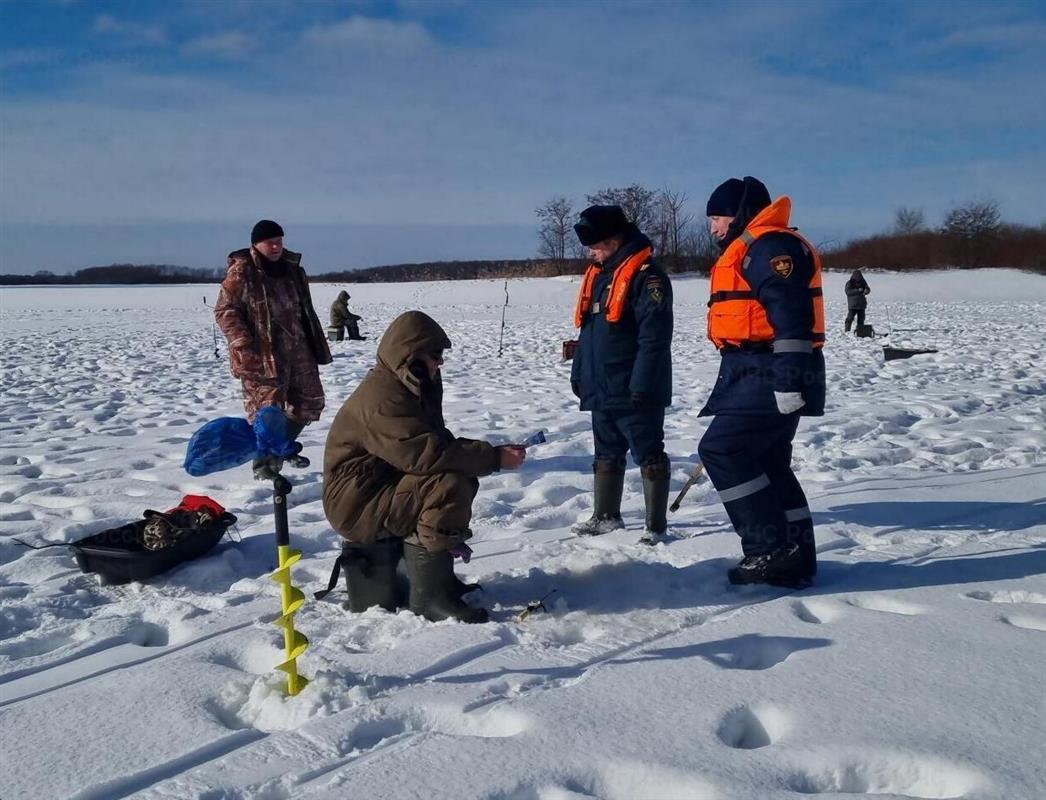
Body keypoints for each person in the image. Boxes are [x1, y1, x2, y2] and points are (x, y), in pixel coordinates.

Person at [323, 310, 526, 623]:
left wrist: (485, 456)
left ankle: (438, 581)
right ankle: (430, 597)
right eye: (434, 356)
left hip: (377, 488)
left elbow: (434, 444)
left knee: (456, 477)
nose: (439, 363)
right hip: (355, 505)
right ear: (410, 355)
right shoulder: (383, 400)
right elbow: (425, 456)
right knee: (447, 486)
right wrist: (493, 458)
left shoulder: (408, 386)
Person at [698, 177, 825, 588]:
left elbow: (792, 316)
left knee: (722, 449)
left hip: (770, 369)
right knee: (768, 460)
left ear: (739, 214)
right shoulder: (754, 246)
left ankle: (768, 550)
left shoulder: (769, 247)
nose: (713, 228)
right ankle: (796, 557)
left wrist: (788, 380)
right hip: (753, 368)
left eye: (717, 218)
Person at [569, 205, 673, 545]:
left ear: (613, 241)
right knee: (606, 451)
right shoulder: (600, 276)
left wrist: (642, 384)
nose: (590, 252)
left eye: (595, 246)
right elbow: (589, 332)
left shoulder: (648, 277)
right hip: (602, 386)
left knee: (649, 453)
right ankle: (606, 516)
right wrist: (580, 372)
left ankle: (655, 526)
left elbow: (654, 338)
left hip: (634, 388)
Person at [214, 220, 331, 476]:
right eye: (270, 242)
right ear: (256, 244)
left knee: (310, 402)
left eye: (279, 241)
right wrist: (242, 343)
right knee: (267, 412)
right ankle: (263, 465)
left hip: (299, 348)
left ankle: (280, 447)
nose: (277, 246)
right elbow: (225, 310)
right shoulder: (243, 271)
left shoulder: (292, 269)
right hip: (261, 353)